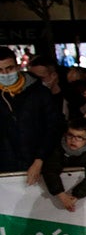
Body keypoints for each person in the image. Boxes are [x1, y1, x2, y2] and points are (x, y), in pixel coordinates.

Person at [0, 47, 61, 180]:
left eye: (9, 68)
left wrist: (40, 159)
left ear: (17, 66)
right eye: (0, 70)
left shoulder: (39, 92)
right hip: (5, 169)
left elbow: (52, 127)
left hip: (39, 166)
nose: (5, 73)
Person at [41, 118, 86, 212]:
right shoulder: (58, 149)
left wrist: (75, 196)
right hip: (58, 199)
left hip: (80, 204)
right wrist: (61, 194)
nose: (73, 140)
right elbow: (50, 170)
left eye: (79, 137)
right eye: (70, 135)